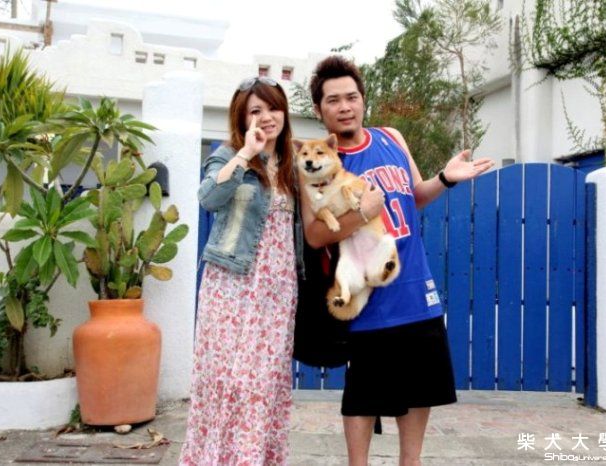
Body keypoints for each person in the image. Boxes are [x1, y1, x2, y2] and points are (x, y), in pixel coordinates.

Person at [302, 56, 494, 466]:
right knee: (363, 395)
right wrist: (361, 214)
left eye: (351, 97)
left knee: (421, 389)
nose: (345, 107)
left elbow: (415, 196)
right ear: (319, 109)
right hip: (367, 298)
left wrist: (445, 178)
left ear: (363, 100)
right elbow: (315, 235)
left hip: (416, 289)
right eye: (333, 100)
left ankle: (412, 461)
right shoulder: (319, 161)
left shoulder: (391, 137)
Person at [179, 76, 304, 465]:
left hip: (278, 290)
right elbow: (208, 198)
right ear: (242, 118)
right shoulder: (228, 155)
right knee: (227, 380)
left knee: (263, 384)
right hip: (231, 285)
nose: (267, 117)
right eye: (256, 110)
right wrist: (247, 153)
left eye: (273, 107)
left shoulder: (293, 163)